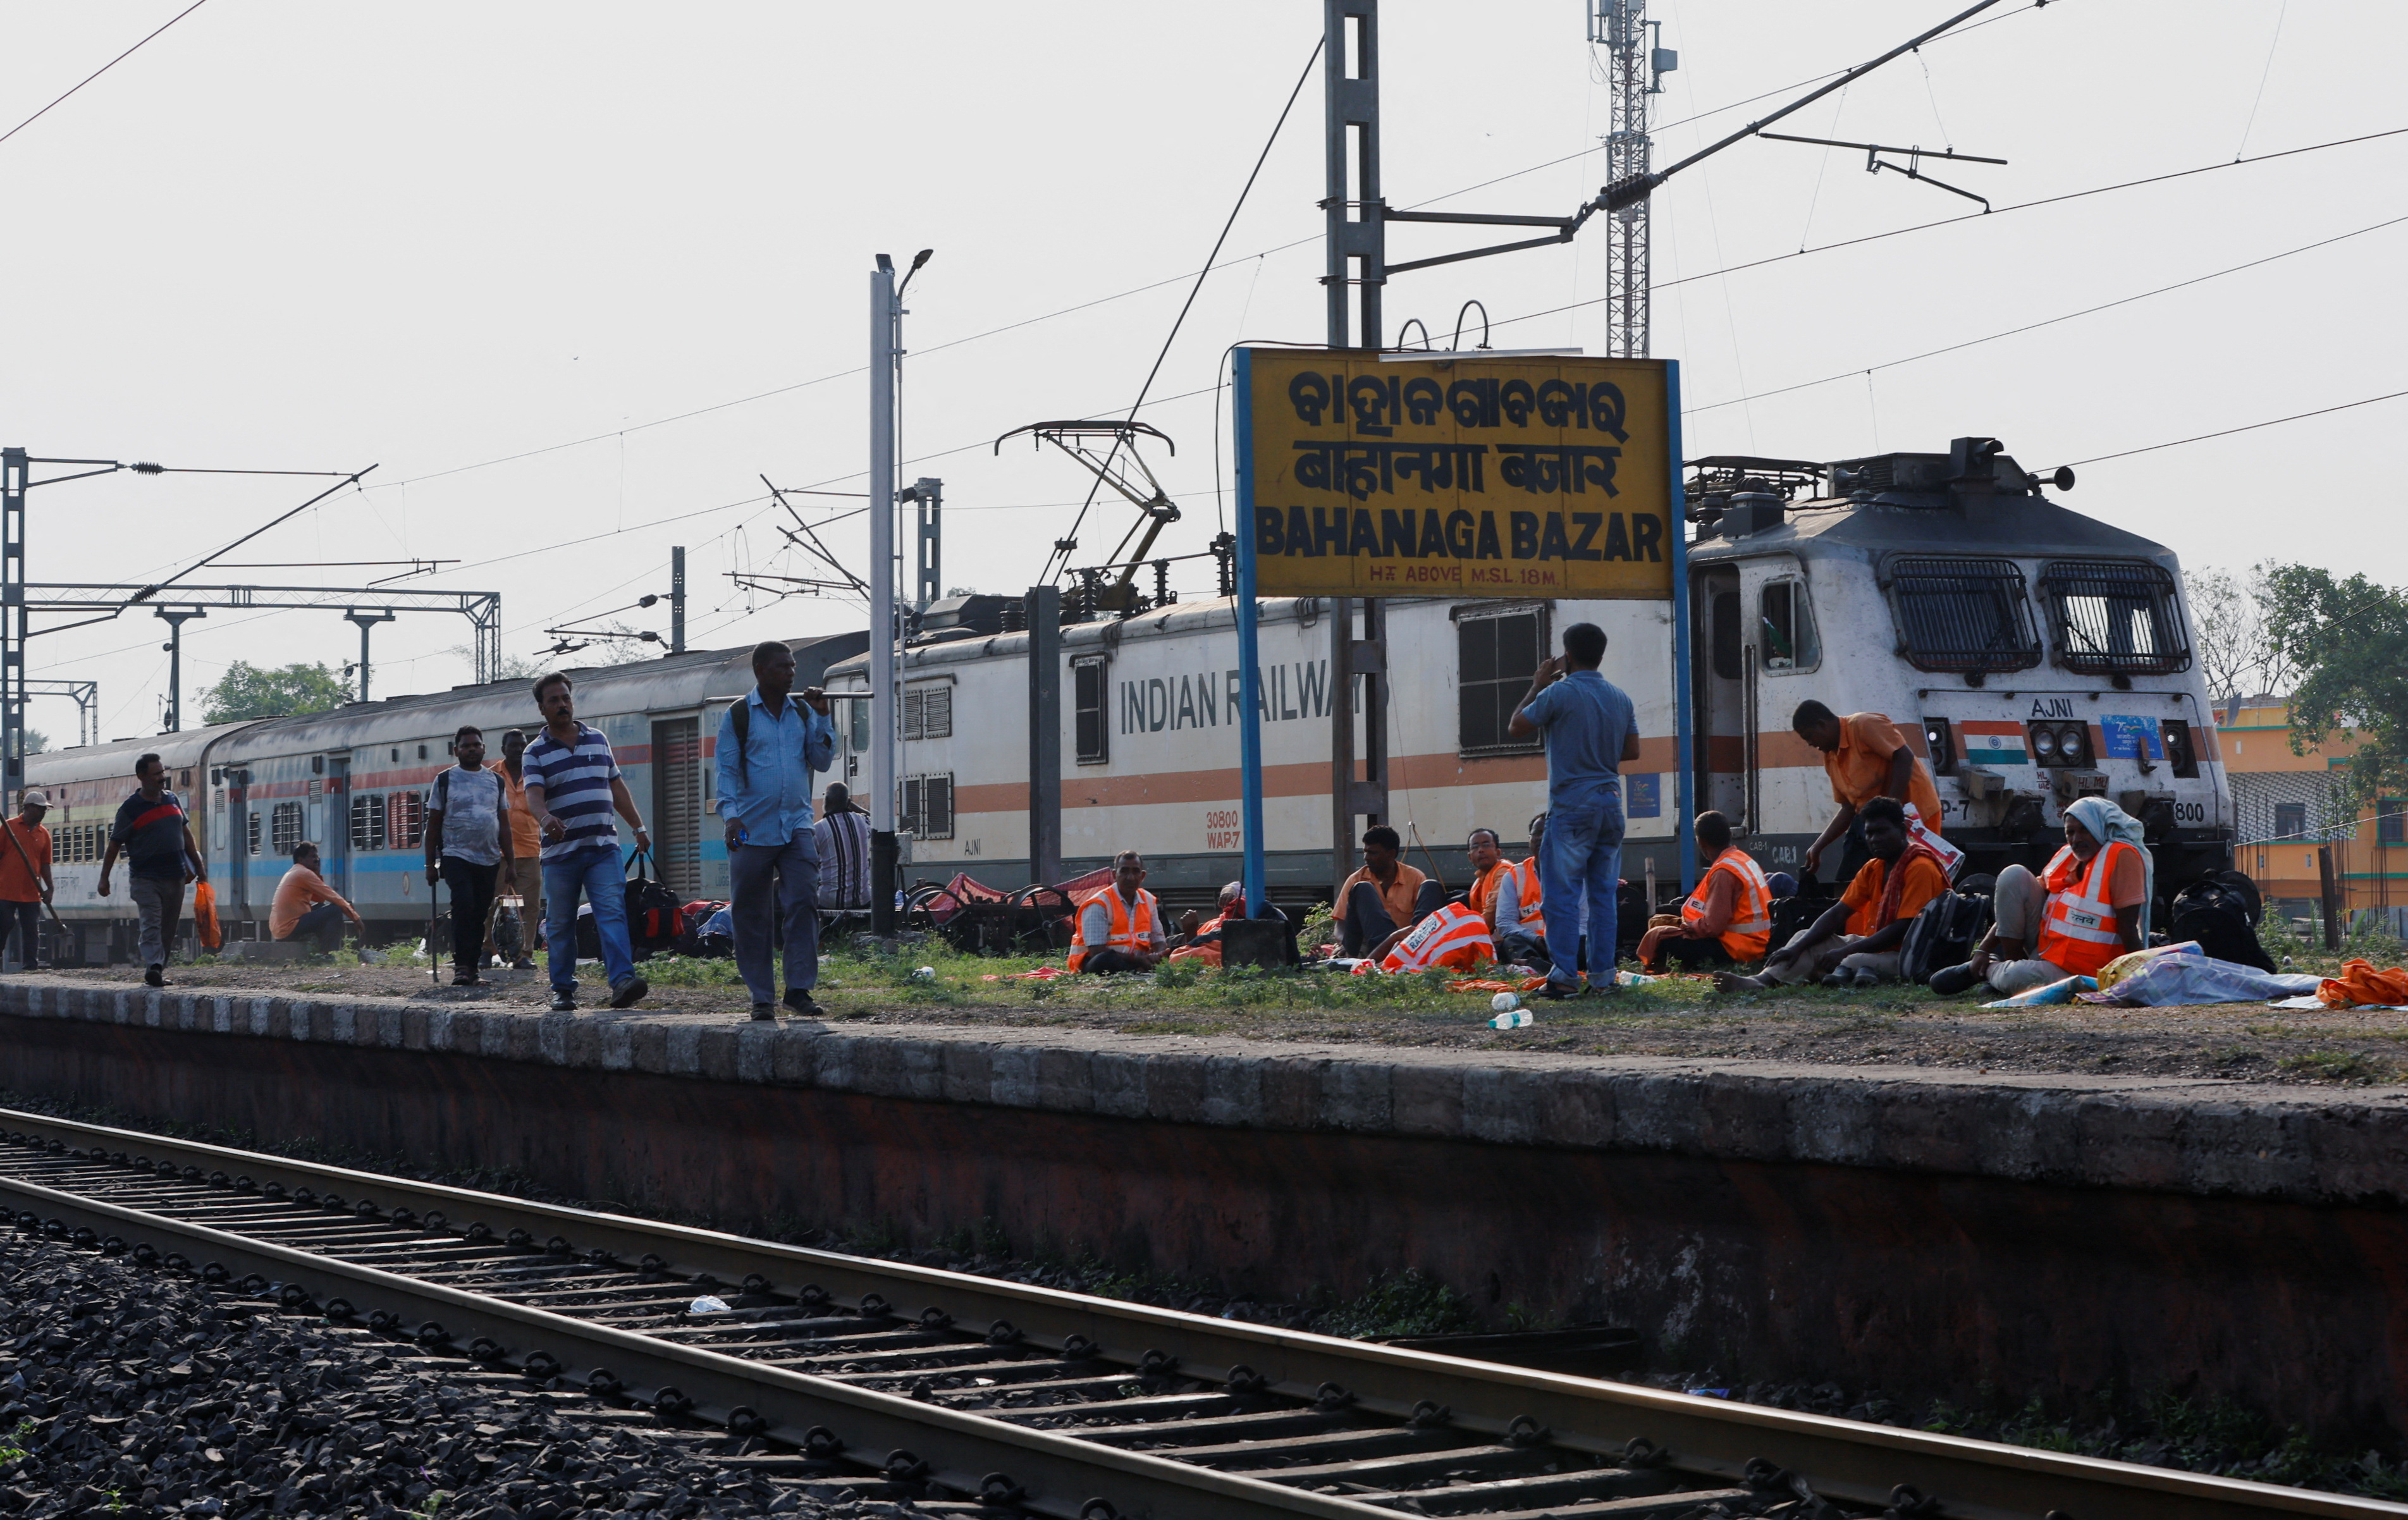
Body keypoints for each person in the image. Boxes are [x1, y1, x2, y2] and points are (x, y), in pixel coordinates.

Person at [1508, 622, 1641, 998]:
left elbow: (1516, 726)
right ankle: (1603, 979)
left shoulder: (1559, 693)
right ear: (1601, 654)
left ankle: (1565, 977)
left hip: (1572, 806)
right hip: (1611, 803)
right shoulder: (1620, 697)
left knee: (1561, 898)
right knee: (1602, 897)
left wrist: (1538, 684)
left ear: (1567, 656)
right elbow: (1631, 752)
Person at [716, 640, 837, 1021]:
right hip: (752, 828)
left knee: (803, 899)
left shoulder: (802, 711)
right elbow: (726, 773)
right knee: (751, 913)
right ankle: (761, 996)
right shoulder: (739, 716)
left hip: (797, 824)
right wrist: (731, 817)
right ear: (760, 671)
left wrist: (823, 717)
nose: (791, 673)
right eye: (782, 667)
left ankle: (798, 990)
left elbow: (822, 760)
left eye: (793, 666)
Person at [1714, 797, 1944, 990]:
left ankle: (1806, 974)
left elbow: (1903, 928)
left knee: (1852, 959)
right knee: (1805, 938)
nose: (1874, 840)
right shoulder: (1874, 868)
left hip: (1911, 954)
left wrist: (1844, 950)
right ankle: (1760, 981)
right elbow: (1837, 913)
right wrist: (1797, 947)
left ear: (1903, 831)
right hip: (1878, 946)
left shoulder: (1920, 868)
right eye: (1870, 834)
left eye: (1882, 832)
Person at [523, 671, 652, 1012]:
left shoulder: (597, 739)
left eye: (566, 697)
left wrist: (638, 826)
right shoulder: (534, 752)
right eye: (554, 700)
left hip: (603, 847)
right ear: (542, 709)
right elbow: (534, 796)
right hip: (561, 855)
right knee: (562, 922)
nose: (562, 704)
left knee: (612, 912)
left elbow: (617, 787)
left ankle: (623, 981)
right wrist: (546, 818)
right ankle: (563, 988)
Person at [1932, 796, 2151, 997]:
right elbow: (2016, 906)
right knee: (2014, 875)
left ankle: (1986, 971)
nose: (2077, 839)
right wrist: (1983, 949)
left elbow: (2129, 929)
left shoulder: (2121, 856)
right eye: (2071, 832)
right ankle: (2007, 964)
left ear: (2102, 828)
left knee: (2014, 977)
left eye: (2085, 830)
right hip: (2048, 951)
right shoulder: (2067, 855)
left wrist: (2142, 980)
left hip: (2084, 971)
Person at [1792, 701, 1947, 880]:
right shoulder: (1831, 759)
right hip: (1877, 821)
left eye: (1809, 736)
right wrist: (1818, 847)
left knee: (1911, 878)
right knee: (1854, 880)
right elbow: (1849, 808)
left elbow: (1904, 757)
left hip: (1916, 815)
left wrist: (1890, 811)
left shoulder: (1863, 725)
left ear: (1822, 724)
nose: (1811, 744)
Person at [96, 753, 206, 988]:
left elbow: (186, 835)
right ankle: (154, 967)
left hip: (175, 877)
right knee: (152, 923)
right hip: (146, 878)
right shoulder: (130, 809)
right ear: (142, 777)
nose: (162, 778)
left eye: (163, 772)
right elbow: (115, 844)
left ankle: (158, 969)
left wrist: (199, 866)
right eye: (156, 774)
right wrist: (104, 879)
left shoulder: (172, 800)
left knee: (168, 926)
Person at [425, 725, 515, 986]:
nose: (472, 749)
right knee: (463, 905)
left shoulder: (496, 781)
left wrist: (510, 861)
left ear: (484, 748)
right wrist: (430, 864)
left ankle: (473, 968)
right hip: (455, 855)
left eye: (476, 744)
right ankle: (462, 966)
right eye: (466, 746)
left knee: (479, 913)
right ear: (457, 751)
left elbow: (504, 824)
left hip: (489, 858)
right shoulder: (445, 780)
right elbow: (433, 824)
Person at [1637, 811, 1771, 972]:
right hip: (1758, 942)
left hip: (1737, 948)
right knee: (1664, 918)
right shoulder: (1743, 860)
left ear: (1701, 842)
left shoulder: (1723, 871)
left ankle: (1664, 966)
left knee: (1663, 940)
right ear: (1729, 835)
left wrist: (1687, 927)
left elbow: (1712, 927)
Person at [482, 728, 543, 971]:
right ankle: (487, 950)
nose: (519, 750)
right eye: (513, 746)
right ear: (503, 750)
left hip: (530, 850)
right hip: (496, 854)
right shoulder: (491, 776)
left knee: (529, 906)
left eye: (523, 745)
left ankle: (524, 955)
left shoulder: (536, 774)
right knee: (492, 904)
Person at [1335, 825, 1440, 957]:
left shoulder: (1415, 877)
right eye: (1365, 852)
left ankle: (1417, 948)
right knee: (1363, 888)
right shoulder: (1356, 880)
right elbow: (1340, 925)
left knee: (1431, 886)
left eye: (1373, 853)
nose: (1366, 858)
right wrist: (1345, 943)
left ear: (1391, 854)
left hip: (1410, 945)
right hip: (1375, 948)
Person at [1069, 850, 1165, 974]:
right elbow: (1096, 952)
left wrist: (1157, 955)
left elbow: (1159, 940)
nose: (1130, 878)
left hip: (1136, 961)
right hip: (1096, 964)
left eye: (1136, 872)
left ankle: (1138, 969)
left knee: (1175, 950)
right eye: (1124, 871)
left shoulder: (1148, 900)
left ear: (1142, 876)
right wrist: (1138, 960)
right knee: (1104, 960)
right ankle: (1137, 970)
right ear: (1114, 875)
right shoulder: (1099, 904)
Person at [272, 841, 364, 952]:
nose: (316, 860)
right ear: (301, 859)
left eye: (317, 857)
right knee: (335, 910)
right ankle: (328, 953)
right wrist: (356, 918)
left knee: (322, 906)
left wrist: (317, 872)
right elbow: (332, 896)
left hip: (282, 929)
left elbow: (320, 899)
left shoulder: (296, 871)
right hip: (289, 927)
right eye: (312, 857)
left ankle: (318, 951)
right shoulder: (304, 873)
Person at [0, 789, 55, 971]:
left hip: (32, 891)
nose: (43, 813)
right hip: (6, 890)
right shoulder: (9, 828)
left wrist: (50, 889)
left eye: (45, 810)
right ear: (29, 808)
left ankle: (31, 965)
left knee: (32, 929)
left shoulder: (43, 833)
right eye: (40, 809)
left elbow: (45, 863)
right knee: (5, 922)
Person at [1490, 813, 1549, 969]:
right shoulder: (1515, 875)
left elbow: (1585, 920)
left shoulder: (1577, 873)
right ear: (1529, 839)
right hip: (1532, 944)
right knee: (1511, 943)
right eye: (1537, 833)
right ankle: (1535, 965)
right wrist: (1536, 939)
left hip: (1568, 943)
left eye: (1548, 832)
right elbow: (1505, 922)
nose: (1541, 838)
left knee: (1587, 942)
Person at [814, 781, 873, 914]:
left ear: (826, 801)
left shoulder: (819, 829)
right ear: (848, 803)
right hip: (861, 900)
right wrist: (850, 804)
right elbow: (876, 820)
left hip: (829, 902)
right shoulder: (863, 822)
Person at [1462, 828, 1508, 926]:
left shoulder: (1504, 871)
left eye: (1486, 845)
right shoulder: (1479, 882)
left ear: (1498, 853)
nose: (1481, 850)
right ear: (1470, 857)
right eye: (1475, 847)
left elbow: (1493, 911)